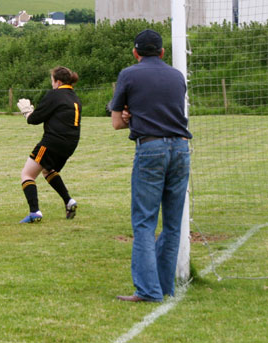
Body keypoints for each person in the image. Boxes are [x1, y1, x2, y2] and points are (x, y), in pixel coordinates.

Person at [110, 29, 192, 302]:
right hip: (181, 149)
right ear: (162, 52)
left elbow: (117, 123)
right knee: (171, 224)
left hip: (151, 149)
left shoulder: (129, 74)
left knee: (144, 223)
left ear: (135, 53)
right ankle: (165, 287)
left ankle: (147, 291)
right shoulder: (177, 76)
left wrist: (129, 116)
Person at [17, 66, 81, 223]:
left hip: (53, 141)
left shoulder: (55, 94)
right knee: (47, 170)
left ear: (58, 82)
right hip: (70, 144)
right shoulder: (74, 97)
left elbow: (34, 119)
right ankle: (69, 201)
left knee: (27, 175)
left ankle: (35, 212)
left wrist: (27, 111)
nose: (52, 84)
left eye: (52, 81)